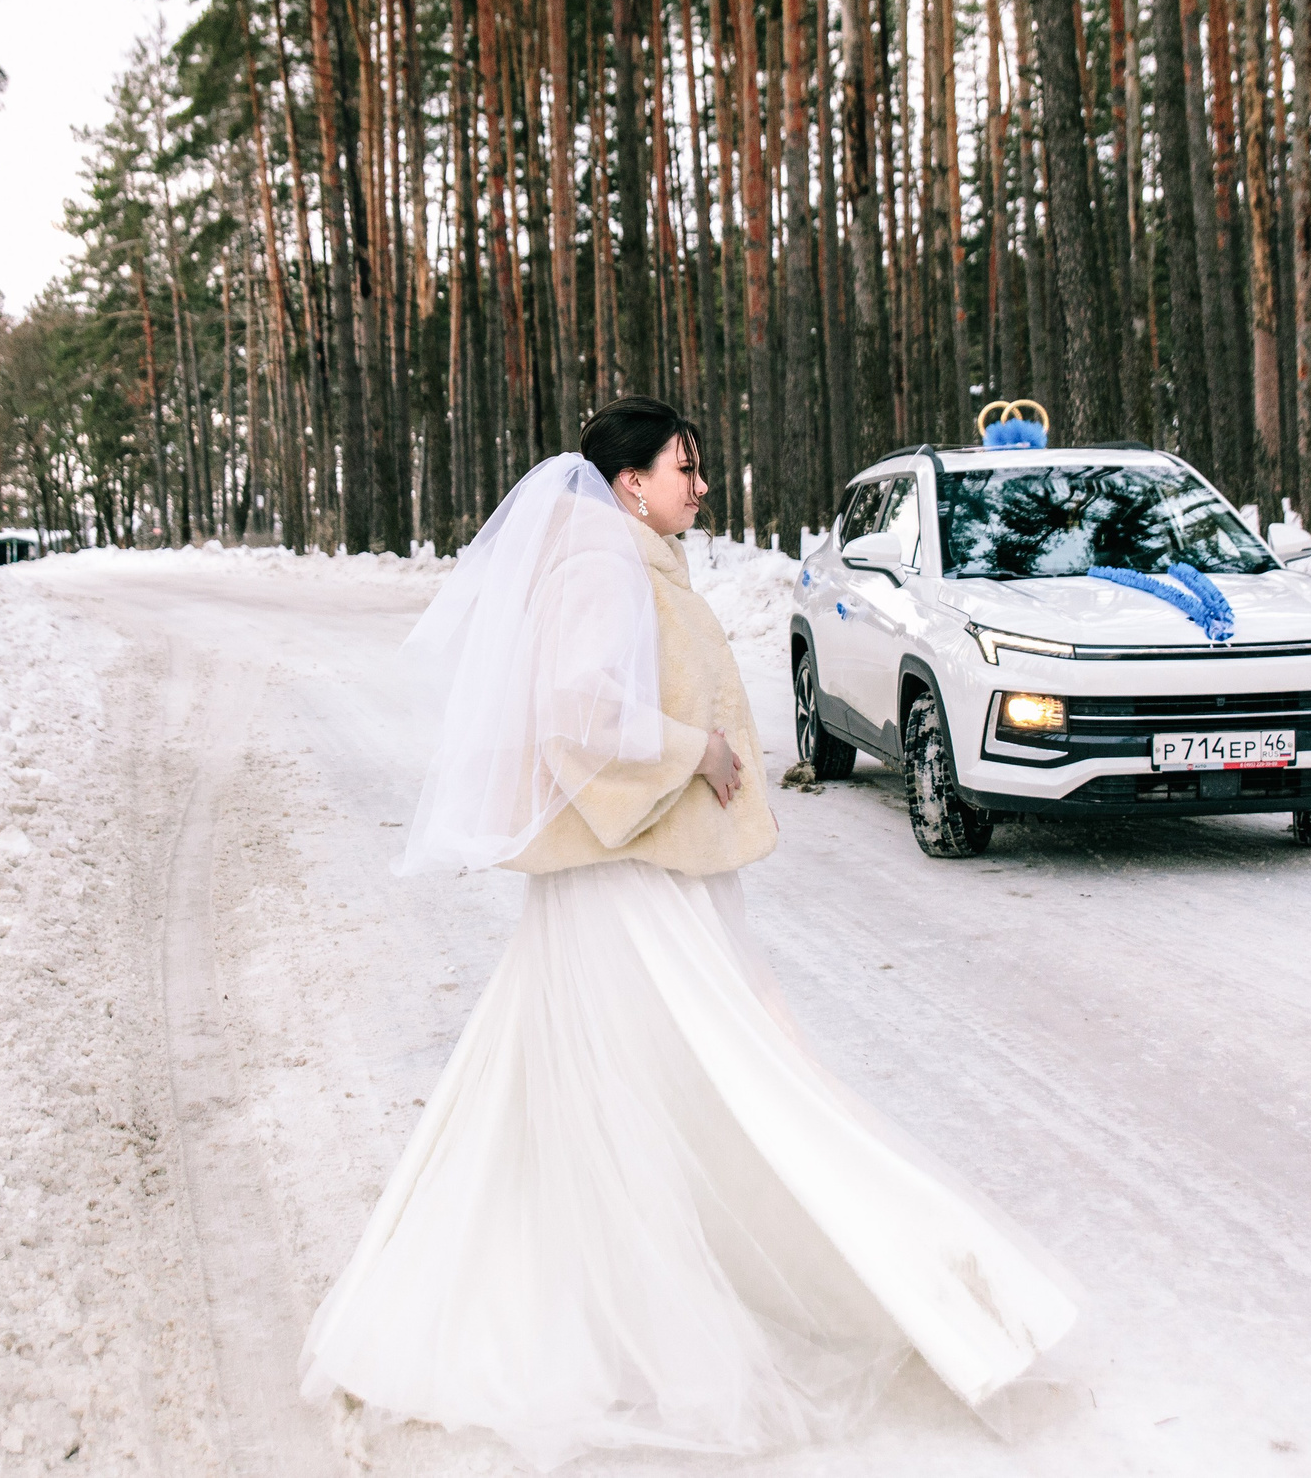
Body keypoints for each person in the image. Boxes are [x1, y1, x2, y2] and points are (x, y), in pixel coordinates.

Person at [299, 396, 1080, 1469]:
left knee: (600, 1092)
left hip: (628, 868)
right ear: (632, 483)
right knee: (714, 1079)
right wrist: (696, 750)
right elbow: (579, 710)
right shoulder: (602, 566)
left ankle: (614, 1296)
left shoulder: (621, 555)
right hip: (624, 879)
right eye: (683, 466)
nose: (698, 485)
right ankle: (695, 1306)